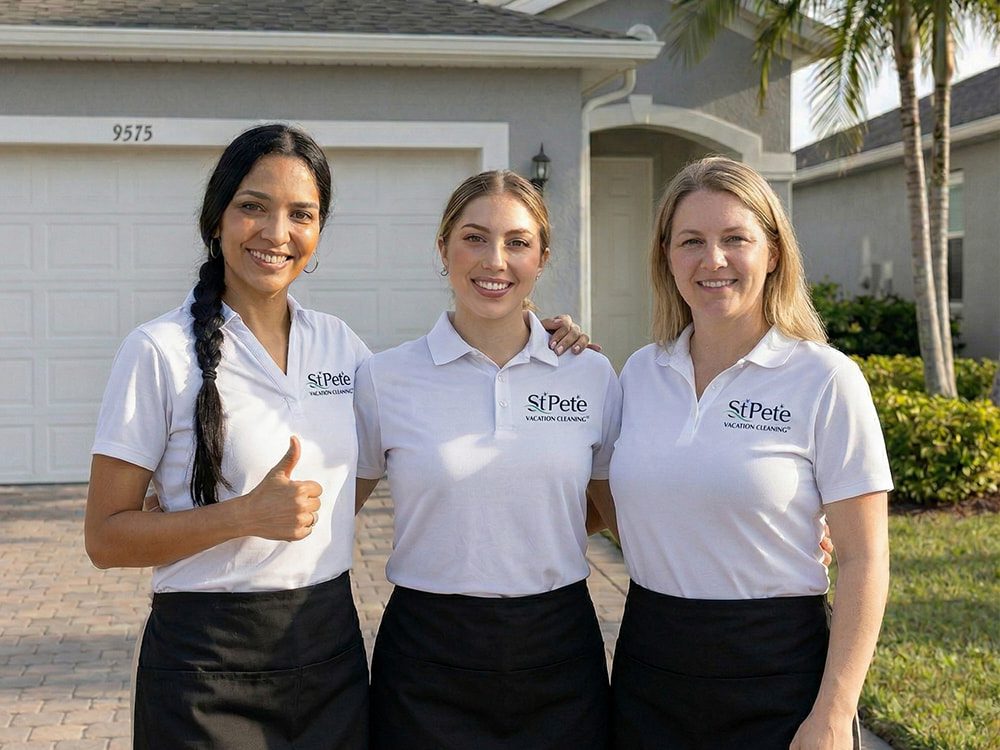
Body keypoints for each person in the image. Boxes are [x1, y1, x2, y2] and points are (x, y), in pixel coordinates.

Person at [84, 124, 590, 749]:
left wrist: (537, 334)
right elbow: (105, 538)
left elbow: (439, 407)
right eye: (252, 207)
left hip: (329, 655)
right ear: (216, 219)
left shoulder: (344, 349)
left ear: (318, 232)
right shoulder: (157, 352)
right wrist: (241, 516)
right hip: (204, 661)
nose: (276, 233)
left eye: (301, 214)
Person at [598, 156, 892, 750]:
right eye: (692, 241)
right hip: (649, 670)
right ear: (666, 257)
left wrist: (835, 713)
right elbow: (609, 506)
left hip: (779, 675)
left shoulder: (825, 379)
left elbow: (864, 561)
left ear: (774, 252)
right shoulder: (638, 374)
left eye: (736, 238)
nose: (714, 260)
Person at [353, 170, 621, 750]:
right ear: (443, 248)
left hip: (559, 650)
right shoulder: (385, 378)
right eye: (474, 238)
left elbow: (623, 515)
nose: (494, 260)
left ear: (542, 258)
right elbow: (323, 513)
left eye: (517, 242)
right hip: (427, 656)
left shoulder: (591, 373)